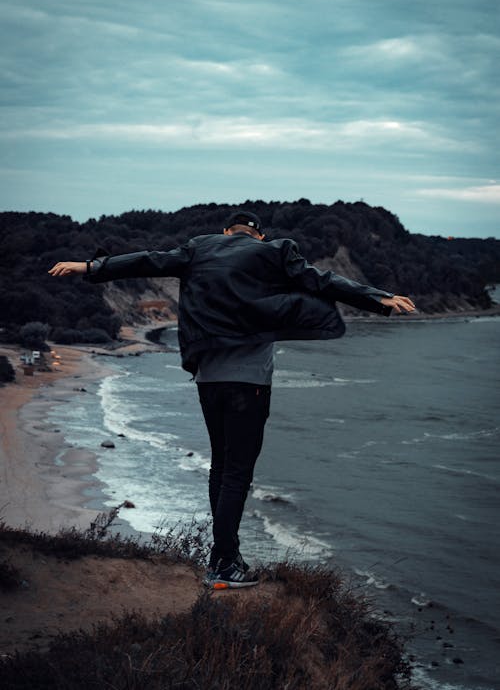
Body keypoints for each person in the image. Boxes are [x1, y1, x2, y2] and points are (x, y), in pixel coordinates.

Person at [48, 210, 415, 589]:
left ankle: (226, 555)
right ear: (259, 236)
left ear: (226, 232)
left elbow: (148, 259)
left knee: (221, 468)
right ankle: (223, 565)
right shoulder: (273, 252)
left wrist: (89, 267)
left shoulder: (199, 248)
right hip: (249, 383)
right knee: (237, 472)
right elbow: (323, 281)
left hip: (208, 380)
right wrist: (379, 299)